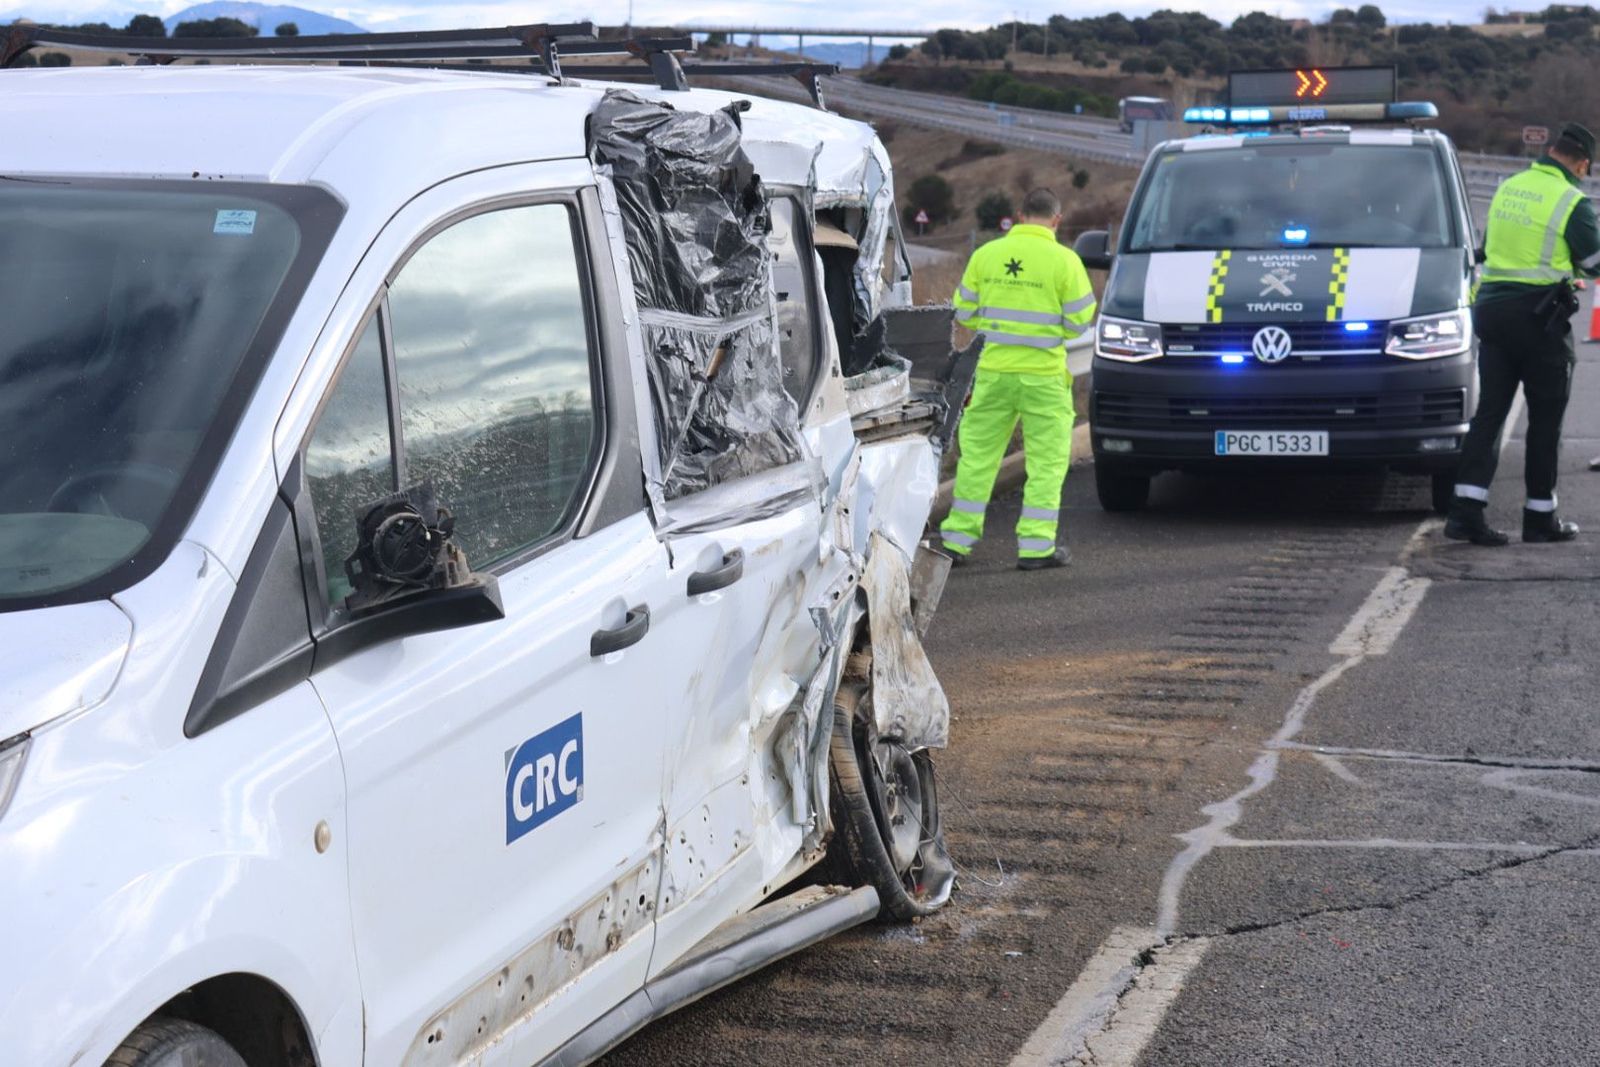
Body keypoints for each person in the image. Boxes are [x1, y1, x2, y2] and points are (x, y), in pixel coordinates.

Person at [1445, 123, 1600, 546]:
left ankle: (1465, 513)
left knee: (1490, 414)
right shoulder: (1571, 199)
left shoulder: (1510, 187)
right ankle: (1539, 518)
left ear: (1550, 151)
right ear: (1582, 164)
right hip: (1538, 319)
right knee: (1545, 419)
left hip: (1491, 311)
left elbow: (1502, 247)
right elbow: (1594, 259)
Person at [940, 188, 1097, 570]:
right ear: (1056, 220)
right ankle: (1035, 547)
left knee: (977, 459)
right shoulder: (1066, 260)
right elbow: (1080, 320)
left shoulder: (986, 255)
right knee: (1047, 463)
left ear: (1020, 215)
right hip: (1043, 378)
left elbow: (963, 312)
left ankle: (957, 541)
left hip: (993, 374)